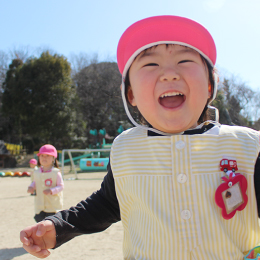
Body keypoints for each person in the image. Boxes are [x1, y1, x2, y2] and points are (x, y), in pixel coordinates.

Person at [20, 15, 260, 260]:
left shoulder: (248, 147)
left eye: (185, 60)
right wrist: (61, 226)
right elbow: (108, 203)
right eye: (150, 65)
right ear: (131, 94)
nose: (169, 73)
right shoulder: (127, 148)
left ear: (210, 86)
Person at [27, 144, 64, 223]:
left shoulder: (56, 172)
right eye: (42, 156)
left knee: (51, 225)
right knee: (40, 223)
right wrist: (31, 187)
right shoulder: (36, 172)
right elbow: (35, 182)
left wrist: (51, 190)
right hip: (40, 206)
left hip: (53, 205)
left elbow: (61, 186)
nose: (44, 158)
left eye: (47, 155)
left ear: (53, 158)